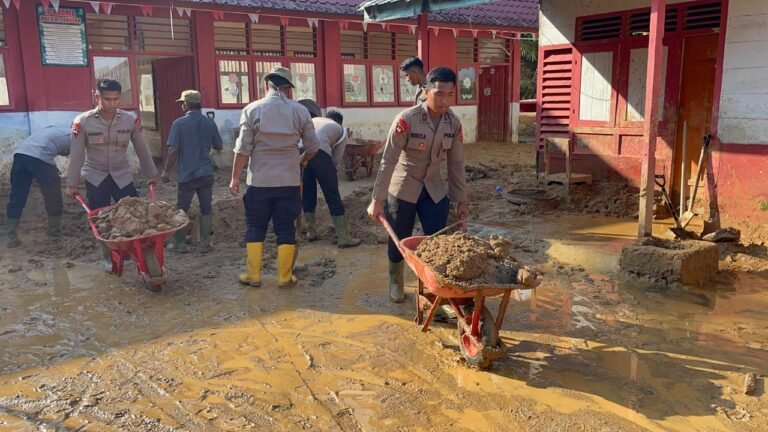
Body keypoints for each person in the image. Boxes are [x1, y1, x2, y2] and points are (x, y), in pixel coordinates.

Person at [367, 67, 469, 303]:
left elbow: (457, 164)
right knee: (400, 239)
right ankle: (396, 281)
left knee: (435, 241)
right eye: (439, 94)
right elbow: (388, 160)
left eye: (449, 95)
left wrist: (462, 201)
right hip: (403, 188)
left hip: (434, 190)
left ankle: (431, 287)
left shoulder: (453, 124)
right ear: (426, 91)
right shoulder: (406, 120)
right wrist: (377, 199)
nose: (444, 101)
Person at [230, 66, 320, 287]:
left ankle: (253, 275)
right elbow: (313, 147)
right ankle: (284, 276)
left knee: (255, 226)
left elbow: (242, 149)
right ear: (289, 89)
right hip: (288, 182)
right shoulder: (300, 111)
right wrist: (300, 160)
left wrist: (234, 178)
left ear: (266, 85)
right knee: (285, 227)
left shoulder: (252, 109)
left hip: (259, 182)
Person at [66, 79, 158, 268]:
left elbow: (142, 148)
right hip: (96, 176)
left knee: (135, 212)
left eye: (116, 99)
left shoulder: (129, 119)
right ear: (97, 97)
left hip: (122, 174)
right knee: (101, 220)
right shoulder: (82, 122)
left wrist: (151, 172)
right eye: (107, 99)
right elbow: (76, 155)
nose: (112, 103)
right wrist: (72, 183)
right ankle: (108, 256)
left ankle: (135, 249)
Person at [161, 90, 223, 253]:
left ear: (186, 105)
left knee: (182, 208)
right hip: (206, 173)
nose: (181, 105)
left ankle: (179, 244)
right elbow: (219, 146)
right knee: (206, 207)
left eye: (182, 103)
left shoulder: (179, 124)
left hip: (187, 175)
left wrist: (166, 172)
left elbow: (173, 151)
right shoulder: (209, 123)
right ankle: (205, 243)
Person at [296, 99, 361, 248]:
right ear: (340, 122)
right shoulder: (341, 129)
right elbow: (336, 159)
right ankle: (343, 237)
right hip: (319, 151)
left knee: (308, 192)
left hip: (300, 151)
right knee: (332, 195)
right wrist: (329, 175)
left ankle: (310, 232)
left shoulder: (313, 120)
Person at [5, 126, 71, 248]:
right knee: (53, 197)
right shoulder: (76, 137)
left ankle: (11, 236)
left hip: (19, 156)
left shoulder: (55, 130)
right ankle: (54, 236)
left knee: (17, 196)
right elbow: (75, 161)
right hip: (40, 157)